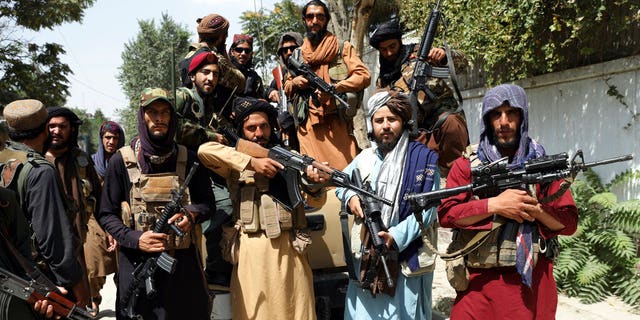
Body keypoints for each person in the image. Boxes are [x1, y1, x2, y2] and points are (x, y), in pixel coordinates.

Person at [438, 84, 579, 319]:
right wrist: (494, 205)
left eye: (511, 112)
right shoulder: (467, 165)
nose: (504, 122)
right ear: (487, 119)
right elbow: (448, 214)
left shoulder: (543, 166)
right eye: (496, 114)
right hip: (479, 286)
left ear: (522, 117)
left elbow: (569, 223)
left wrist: (535, 210)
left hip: (533, 285)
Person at [198, 96, 326, 320]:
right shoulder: (236, 163)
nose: (258, 133)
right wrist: (251, 163)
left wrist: (316, 183)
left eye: (264, 126)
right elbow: (204, 151)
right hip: (251, 251)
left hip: (291, 251)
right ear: (242, 132)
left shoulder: (290, 158)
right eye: (251, 128)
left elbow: (316, 201)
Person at [97, 88, 212, 319]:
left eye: (165, 112)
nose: (159, 118)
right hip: (137, 264)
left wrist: (191, 215)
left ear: (172, 117)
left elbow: (208, 203)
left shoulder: (187, 158)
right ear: (143, 116)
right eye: (153, 112)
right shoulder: (122, 160)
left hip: (183, 268)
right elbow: (106, 213)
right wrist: (136, 239)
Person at [336, 90, 440, 319]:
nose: (385, 126)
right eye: (379, 120)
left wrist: (395, 236)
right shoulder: (364, 158)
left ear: (403, 122)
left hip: (407, 256)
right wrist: (351, 198)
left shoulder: (422, 159)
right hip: (367, 254)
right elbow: (340, 184)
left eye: (391, 119)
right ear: (371, 124)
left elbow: (429, 208)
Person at [0, 99, 88, 308]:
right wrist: (77, 287)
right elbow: (53, 240)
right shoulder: (40, 171)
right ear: (45, 130)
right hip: (34, 283)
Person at [369, 17, 469, 181]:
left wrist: (444, 55)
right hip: (415, 130)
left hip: (442, 121)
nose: (388, 53)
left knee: (451, 123)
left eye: (392, 46)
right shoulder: (384, 78)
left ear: (399, 42)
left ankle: (458, 178)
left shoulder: (421, 54)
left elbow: (462, 63)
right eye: (383, 49)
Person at [284, 0, 371, 170]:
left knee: (345, 174)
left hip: (336, 123)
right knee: (313, 176)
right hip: (308, 126)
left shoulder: (341, 48)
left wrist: (336, 88)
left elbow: (363, 76)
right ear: (304, 20)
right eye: (310, 17)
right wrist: (295, 82)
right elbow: (286, 87)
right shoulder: (298, 54)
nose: (315, 21)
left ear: (327, 20)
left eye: (320, 17)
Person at [45, 107, 114, 317]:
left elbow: (101, 199)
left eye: (62, 126)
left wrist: (110, 229)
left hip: (77, 243)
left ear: (71, 130)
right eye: (52, 126)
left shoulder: (81, 160)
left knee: (79, 299)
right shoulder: (37, 159)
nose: (56, 131)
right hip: (45, 245)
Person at [266, 32, 304, 151]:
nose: (289, 52)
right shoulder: (282, 73)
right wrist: (271, 93)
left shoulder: (309, 69)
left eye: (293, 48)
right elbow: (268, 90)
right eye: (285, 50)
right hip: (288, 130)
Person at [228, 34, 265, 98]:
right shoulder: (225, 71)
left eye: (247, 51)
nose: (243, 53)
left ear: (251, 54)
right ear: (232, 52)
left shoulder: (254, 77)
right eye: (239, 50)